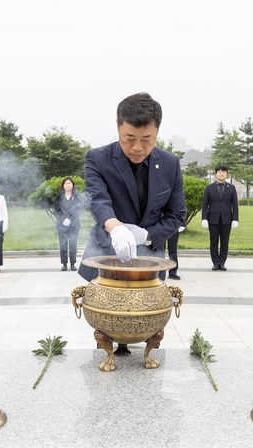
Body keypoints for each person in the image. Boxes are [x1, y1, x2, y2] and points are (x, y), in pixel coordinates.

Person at [78, 92, 187, 354]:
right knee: (108, 331)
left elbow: (177, 214)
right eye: (129, 139)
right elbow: (97, 199)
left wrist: (147, 236)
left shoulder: (170, 164)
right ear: (118, 128)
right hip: (107, 262)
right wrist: (115, 227)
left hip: (149, 267)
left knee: (149, 329)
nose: (138, 147)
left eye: (146, 140)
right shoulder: (98, 159)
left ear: (157, 133)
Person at [202, 164, 239, 271]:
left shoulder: (231, 188)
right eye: (219, 171)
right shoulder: (209, 188)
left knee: (224, 242)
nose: (221, 173)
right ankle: (215, 262)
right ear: (216, 174)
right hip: (213, 219)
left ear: (226, 174)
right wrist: (204, 218)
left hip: (226, 219)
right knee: (213, 242)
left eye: (223, 171)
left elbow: (235, 205)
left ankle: (222, 263)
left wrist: (235, 218)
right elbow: (205, 204)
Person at [53, 176, 84, 271]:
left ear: (72, 185)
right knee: (63, 245)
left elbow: (79, 209)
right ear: (63, 185)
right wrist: (62, 219)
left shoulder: (77, 196)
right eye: (66, 183)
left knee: (73, 245)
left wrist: (71, 219)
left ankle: (73, 263)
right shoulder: (59, 197)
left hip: (74, 224)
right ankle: (64, 264)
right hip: (62, 225)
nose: (67, 185)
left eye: (69, 183)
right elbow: (56, 209)